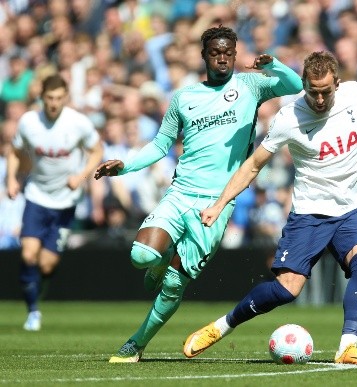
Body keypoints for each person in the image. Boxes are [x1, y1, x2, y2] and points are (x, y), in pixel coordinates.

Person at [183, 51, 357, 364]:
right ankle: (222, 326)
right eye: (313, 91)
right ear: (304, 84)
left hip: (350, 210)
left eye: (326, 91)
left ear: (337, 82)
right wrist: (220, 203)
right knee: (286, 291)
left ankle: (348, 345)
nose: (319, 99)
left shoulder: (356, 95)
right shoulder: (288, 118)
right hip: (309, 214)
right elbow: (253, 165)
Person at [93, 25, 303, 363]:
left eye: (228, 53)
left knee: (176, 285)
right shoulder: (183, 97)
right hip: (181, 192)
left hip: (218, 203)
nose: (222, 58)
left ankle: (136, 344)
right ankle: (157, 266)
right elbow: (161, 145)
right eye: (215, 52)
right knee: (142, 256)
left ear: (235, 56)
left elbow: (296, 86)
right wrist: (125, 166)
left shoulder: (250, 85)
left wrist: (274, 65)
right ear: (204, 55)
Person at [5, 74, 103, 331]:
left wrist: (81, 176)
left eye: (59, 98)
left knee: (47, 264)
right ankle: (33, 311)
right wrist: (12, 180)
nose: (53, 103)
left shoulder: (78, 123)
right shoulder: (29, 122)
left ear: (66, 98)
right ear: (42, 98)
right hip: (37, 196)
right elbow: (15, 152)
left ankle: (41, 285)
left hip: (66, 202)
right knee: (28, 254)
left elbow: (98, 150)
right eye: (49, 98)